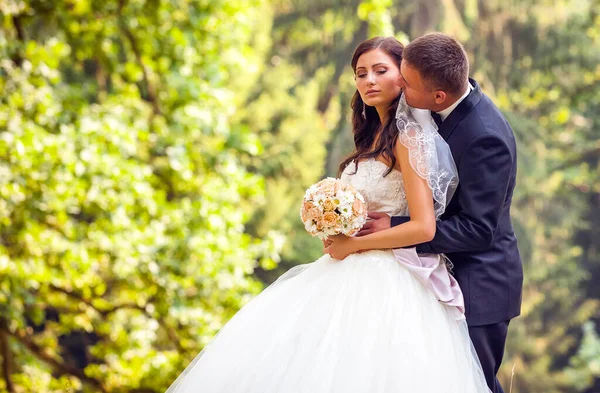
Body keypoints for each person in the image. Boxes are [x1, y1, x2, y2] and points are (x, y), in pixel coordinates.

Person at [165, 36, 490, 393]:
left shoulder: (407, 138)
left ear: (403, 76)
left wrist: (351, 245)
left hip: (389, 276)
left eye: (380, 71)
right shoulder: (371, 135)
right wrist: (333, 219)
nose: (368, 80)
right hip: (345, 266)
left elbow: (424, 226)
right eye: (360, 73)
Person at [350, 33, 524, 393]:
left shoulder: (484, 136)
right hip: (426, 276)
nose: (397, 82)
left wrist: (398, 226)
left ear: (438, 96)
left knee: (472, 384)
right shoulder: (428, 110)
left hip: (480, 283)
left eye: (405, 80)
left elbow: (478, 229)